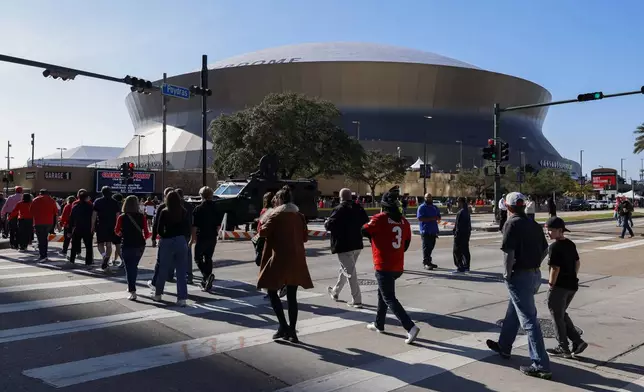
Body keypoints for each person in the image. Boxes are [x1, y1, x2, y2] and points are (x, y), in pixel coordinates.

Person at [486, 192, 551, 380]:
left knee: (529, 320)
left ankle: (541, 364)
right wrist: (534, 263)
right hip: (534, 274)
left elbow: (508, 252)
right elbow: (545, 249)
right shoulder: (533, 224)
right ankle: (504, 347)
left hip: (519, 275)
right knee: (513, 311)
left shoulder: (511, 223)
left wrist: (507, 274)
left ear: (508, 207)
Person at [257, 186, 313, 343]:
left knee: (272, 291)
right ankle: (292, 331)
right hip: (296, 258)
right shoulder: (299, 216)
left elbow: (262, 232)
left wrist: (263, 218)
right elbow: (305, 237)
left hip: (279, 258)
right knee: (292, 295)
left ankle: (283, 325)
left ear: (280, 200)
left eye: (276, 199)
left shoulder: (275, 216)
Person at [362, 191, 419, 344]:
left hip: (383, 264)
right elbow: (405, 245)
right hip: (397, 266)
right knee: (383, 294)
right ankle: (379, 324)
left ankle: (410, 327)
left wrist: (375, 238)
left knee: (389, 297)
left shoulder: (380, 219)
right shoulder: (404, 222)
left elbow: (363, 230)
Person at [544, 217, 588, 358]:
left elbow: (555, 268)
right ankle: (577, 341)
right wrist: (572, 276)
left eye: (551, 230)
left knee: (557, 317)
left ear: (560, 231)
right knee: (562, 313)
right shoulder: (570, 244)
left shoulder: (554, 247)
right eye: (547, 230)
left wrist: (551, 284)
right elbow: (577, 263)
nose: (548, 233)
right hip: (572, 285)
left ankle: (563, 347)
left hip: (560, 287)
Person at [325, 188, 369, 308]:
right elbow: (366, 222)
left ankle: (357, 300)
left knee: (350, 273)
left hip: (344, 246)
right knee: (345, 270)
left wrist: (326, 223)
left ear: (340, 198)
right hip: (357, 244)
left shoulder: (338, 209)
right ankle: (335, 292)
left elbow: (330, 225)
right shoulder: (358, 208)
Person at [153, 191, 190, 306]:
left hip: (167, 241)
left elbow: (159, 229)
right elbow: (187, 228)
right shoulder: (184, 212)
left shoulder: (164, 212)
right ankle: (182, 298)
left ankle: (158, 294)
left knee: (163, 268)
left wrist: (163, 236)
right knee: (181, 271)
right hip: (180, 240)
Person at [115, 195, 151, 301]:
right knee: (134, 266)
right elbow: (147, 233)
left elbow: (116, 231)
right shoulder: (142, 217)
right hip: (139, 244)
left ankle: (132, 290)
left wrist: (122, 233)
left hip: (127, 243)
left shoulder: (122, 217)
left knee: (128, 267)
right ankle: (132, 288)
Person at [191, 186, 223, 292]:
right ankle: (207, 278)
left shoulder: (198, 209)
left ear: (201, 196)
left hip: (201, 236)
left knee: (197, 258)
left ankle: (206, 276)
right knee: (208, 258)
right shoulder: (216, 208)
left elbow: (194, 226)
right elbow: (218, 225)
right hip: (212, 236)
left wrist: (192, 240)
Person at [148, 187, 175, 289]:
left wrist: (154, 238)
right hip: (178, 238)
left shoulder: (162, 208)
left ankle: (156, 283)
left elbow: (156, 225)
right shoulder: (181, 207)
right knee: (173, 259)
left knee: (160, 262)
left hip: (165, 237)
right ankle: (170, 274)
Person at [92, 186, 121, 270]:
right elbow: (117, 216)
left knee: (100, 244)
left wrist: (92, 226)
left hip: (101, 224)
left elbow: (94, 215)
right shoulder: (115, 202)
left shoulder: (97, 201)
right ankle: (107, 260)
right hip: (112, 225)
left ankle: (104, 256)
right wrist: (118, 226)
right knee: (109, 244)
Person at [31, 189, 59, 262]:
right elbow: (55, 213)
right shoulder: (52, 201)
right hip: (49, 222)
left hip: (38, 222)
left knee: (41, 239)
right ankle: (44, 255)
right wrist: (57, 224)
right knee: (45, 238)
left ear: (40, 193)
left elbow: (31, 212)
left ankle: (42, 255)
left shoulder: (35, 200)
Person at [68, 191, 94, 266]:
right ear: (86, 198)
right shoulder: (90, 207)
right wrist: (93, 227)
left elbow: (71, 219)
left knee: (74, 245)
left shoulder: (75, 207)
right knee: (88, 246)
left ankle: (72, 260)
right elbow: (94, 218)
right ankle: (88, 262)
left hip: (78, 228)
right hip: (87, 228)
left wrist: (69, 231)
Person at [417, 193, 440, 270]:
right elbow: (420, 218)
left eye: (430, 197)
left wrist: (436, 218)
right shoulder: (422, 207)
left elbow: (438, 216)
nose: (429, 199)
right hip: (425, 230)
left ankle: (429, 261)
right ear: (424, 198)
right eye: (427, 198)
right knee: (426, 248)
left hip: (433, 230)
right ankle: (426, 263)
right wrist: (431, 218)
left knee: (431, 247)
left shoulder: (434, 207)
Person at [452, 196, 471, 273]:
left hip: (460, 234)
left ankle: (460, 266)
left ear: (461, 202)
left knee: (456, 251)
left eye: (458, 202)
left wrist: (456, 234)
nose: (457, 203)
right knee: (465, 250)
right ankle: (466, 266)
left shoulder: (460, 212)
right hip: (466, 233)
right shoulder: (467, 211)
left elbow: (458, 225)